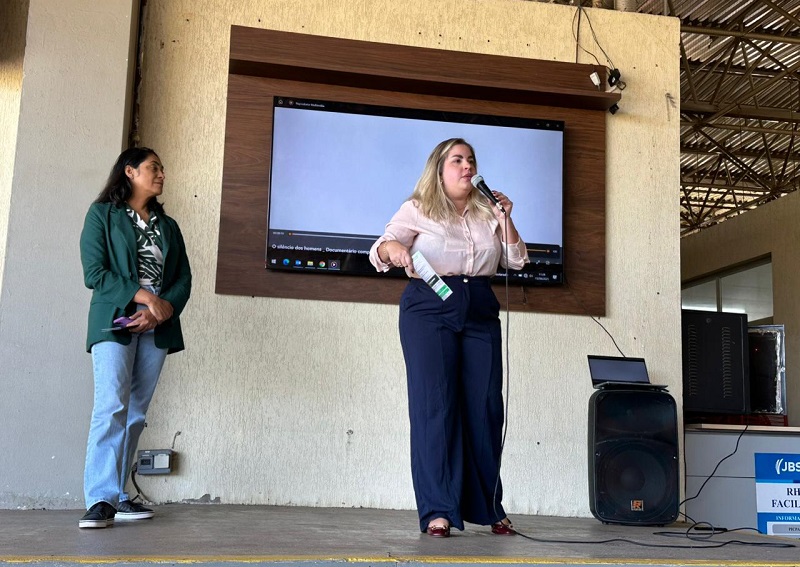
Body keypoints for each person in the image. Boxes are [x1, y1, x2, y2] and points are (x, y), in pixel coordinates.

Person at [369, 138, 529, 537]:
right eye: (457, 160)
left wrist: (505, 218)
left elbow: (516, 261)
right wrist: (394, 249)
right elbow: (380, 249)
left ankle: (489, 507)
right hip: (429, 307)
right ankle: (438, 510)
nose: (467, 166)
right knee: (435, 407)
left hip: (479, 307)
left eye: (470, 160)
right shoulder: (419, 208)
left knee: (485, 408)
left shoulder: (488, 211)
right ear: (439, 170)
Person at [78, 147, 192, 529]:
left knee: (136, 413)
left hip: (156, 325)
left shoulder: (168, 226)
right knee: (111, 405)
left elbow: (183, 279)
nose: (161, 174)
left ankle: (120, 494)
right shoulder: (102, 215)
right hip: (114, 319)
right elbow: (95, 272)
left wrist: (160, 310)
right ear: (129, 171)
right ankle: (100, 499)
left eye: (162, 168)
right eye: (153, 167)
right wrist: (146, 297)